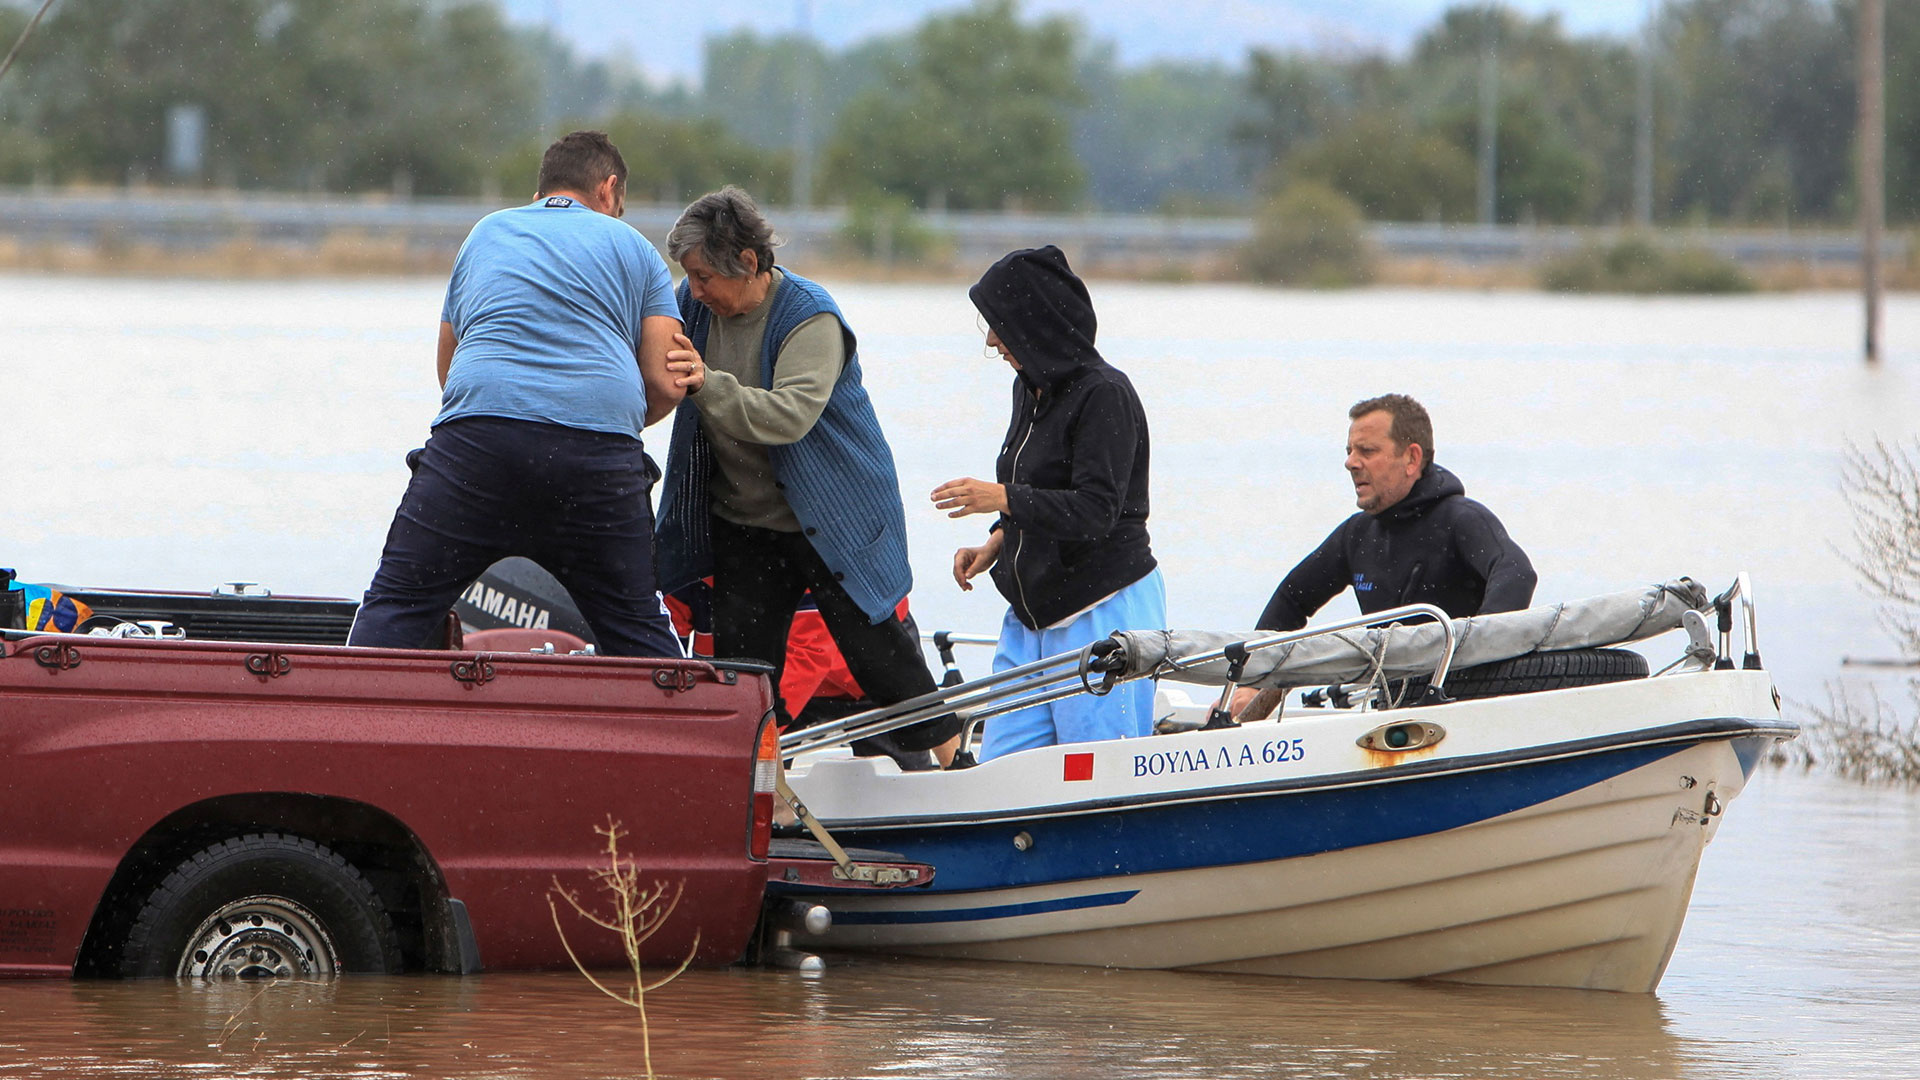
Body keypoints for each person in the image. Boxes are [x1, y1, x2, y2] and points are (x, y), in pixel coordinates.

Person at [348, 131, 695, 657]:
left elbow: (449, 362)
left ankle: (344, 727)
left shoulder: (487, 233)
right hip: (596, 461)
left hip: (477, 448)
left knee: (397, 604)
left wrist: (511, 411)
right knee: (637, 624)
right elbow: (667, 378)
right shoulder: (635, 249)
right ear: (609, 189)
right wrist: (599, 414)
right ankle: (683, 733)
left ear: (540, 193)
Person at [653, 186, 960, 764]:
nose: (693, 291)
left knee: (881, 658)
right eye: (687, 276)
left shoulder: (809, 316)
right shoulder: (692, 309)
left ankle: (961, 769)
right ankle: (765, 797)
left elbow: (789, 417)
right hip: (744, 523)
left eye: (702, 277)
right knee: (748, 679)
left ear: (747, 262)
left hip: (833, 520)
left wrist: (704, 382)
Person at [935, 245, 1165, 762]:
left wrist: (1001, 497)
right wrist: (997, 540)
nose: (993, 341)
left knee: (1102, 774)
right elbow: (1039, 486)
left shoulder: (1105, 394)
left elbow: (1095, 511)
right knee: (1003, 770)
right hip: (1031, 612)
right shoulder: (1029, 389)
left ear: (1036, 323)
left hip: (1101, 607)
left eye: (999, 325)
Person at [1236, 393, 1536, 718]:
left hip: (1462, 707)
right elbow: (1292, 599)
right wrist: (1251, 681)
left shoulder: (1460, 520)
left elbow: (1516, 573)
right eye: (1349, 451)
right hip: (1393, 713)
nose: (1350, 462)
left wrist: (1471, 656)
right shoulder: (1358, 535)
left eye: (1367, 451)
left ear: (1411, 459)